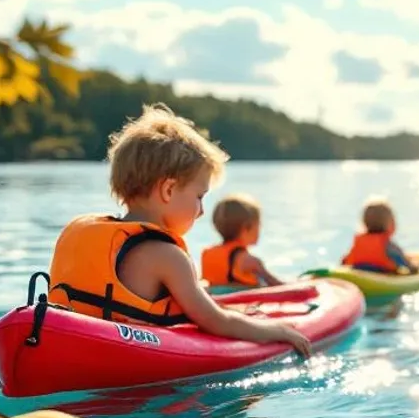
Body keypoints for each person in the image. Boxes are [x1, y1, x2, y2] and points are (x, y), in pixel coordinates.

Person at [46, 104, 311, 354]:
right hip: (121, 360)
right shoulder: (168, 256)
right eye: (199, 197)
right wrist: (276, 331)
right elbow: (217, 321)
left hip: (65, 344)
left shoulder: (85, 232)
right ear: (168, 190)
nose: (202, 210)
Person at [201, 194, 283, 289]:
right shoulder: (250, 261)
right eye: (258, 224)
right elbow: (276, 285)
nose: (260, 228)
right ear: (246, 228)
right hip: (244, 301)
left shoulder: (207, 254)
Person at [341, 198, 419, 274]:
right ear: (390, 224)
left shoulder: (358, 242)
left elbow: (344, 262)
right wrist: (417, 264)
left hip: (359, 276)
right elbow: (409, 266)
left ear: (364, 223)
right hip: (382, 278)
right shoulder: (388, 246)